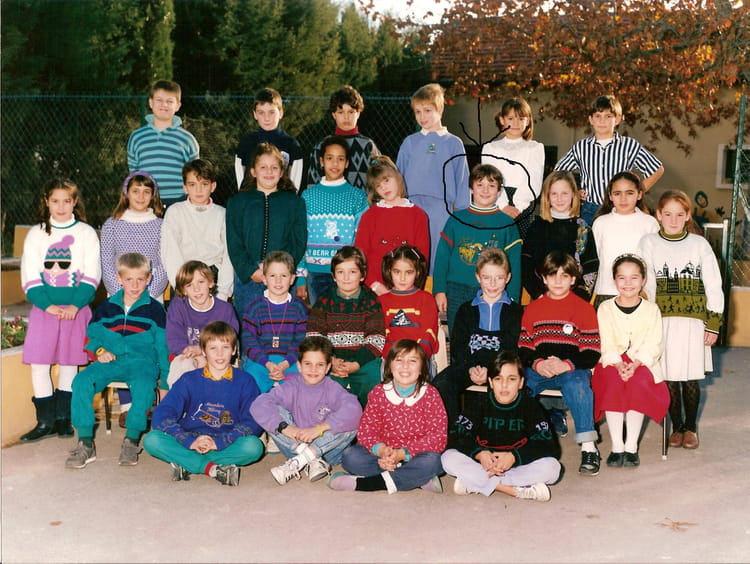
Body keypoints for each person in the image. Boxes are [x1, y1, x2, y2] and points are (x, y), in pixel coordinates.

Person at [638, 190, 724, 450]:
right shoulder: (648, 242)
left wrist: (713, 323)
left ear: (688, 215)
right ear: (658, 215)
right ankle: (676, 427)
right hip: (662, 321)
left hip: (693, 322)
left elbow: (713, 285)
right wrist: (646, 320)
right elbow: (646, 282)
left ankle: (691, 427)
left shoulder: (699, 245)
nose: (673, 220)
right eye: (667, 214)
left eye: (679, 214)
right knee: (669, 376)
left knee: (690, 377)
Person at [66, 253, 169, 469]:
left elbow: (163, 347)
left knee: (144, 387)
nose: (135, 285)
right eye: (129, 279)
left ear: (149, 279)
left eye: (140, 279)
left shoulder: (155, 310)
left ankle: (131, 440)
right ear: (119, 278)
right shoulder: (106, 308)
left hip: (142, 363)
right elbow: (91, 337)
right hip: (110, 361)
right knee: (81, 381)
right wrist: (100, 350)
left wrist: (164, 381)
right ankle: (86, 442)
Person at [19, 178, 101, 442]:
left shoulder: (86, 233)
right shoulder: (36, 234)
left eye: (67, 201)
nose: (61, 206)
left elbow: (92, 274)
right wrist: (48, 305)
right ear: (47, 202)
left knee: (69, 363)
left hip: (76, 310)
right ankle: (44, 421)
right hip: (45, 311)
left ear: (75, 202)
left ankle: (64, 418)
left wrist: (76, 305)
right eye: (55, 201)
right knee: (39, 364)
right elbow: (29, 275)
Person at [143, 322, 264, 486]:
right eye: (213, 348)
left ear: (234, 350)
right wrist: (188, 441)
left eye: (225, 347)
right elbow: (162, 413)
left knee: (254, 447)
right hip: (191, 439)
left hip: (226, 440)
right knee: (152, 440)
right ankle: (211, 468)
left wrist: (219, 443)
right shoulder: (189, 379)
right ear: (204, 351)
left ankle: (188, 463)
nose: (220, 354)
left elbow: (253, 420)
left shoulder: (245, 381)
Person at [519, 251, 602, 476]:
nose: (558, 281)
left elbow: (592, 351)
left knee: (578, 386)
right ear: (544, 278)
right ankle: (518, 439)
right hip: (539, 369)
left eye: (564, 276)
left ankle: (588, 446)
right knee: (517, 385)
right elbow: (524, 348)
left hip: (571, 369)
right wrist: (537, 363)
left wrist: (567, 364)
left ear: (573, 279)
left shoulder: (584, 309)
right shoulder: (533, 309)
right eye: (552, 275)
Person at [327, 339, 447, 494]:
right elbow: (366, 430)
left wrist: (402, 454)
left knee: (434, 461)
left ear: (422, 368)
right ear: (389, 366)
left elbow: (438, 437)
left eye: (412, 361)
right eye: (399, 360)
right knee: (350, 456)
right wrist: (382, 450)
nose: (405, 366)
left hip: (415, 455)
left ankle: (365, 484)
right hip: (382, 456)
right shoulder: (379, 392)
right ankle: (415, 478)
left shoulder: (430, 394)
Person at [441, 351, 561, 501]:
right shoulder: (479, 403)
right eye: (498, 379)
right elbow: (456, 435)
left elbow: (548, 445)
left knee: (553, 468)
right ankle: (513, 489)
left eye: (512, 379)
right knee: (448, 458)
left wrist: (514, 457)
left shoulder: (530, 406)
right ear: (491, 382)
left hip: (517, 464)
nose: (504, 385)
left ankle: (474, 482)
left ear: (521, 382)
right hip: (483, 463)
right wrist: (478, 453)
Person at [101, 172, 168, 425]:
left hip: (151, 297)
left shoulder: (161, 225)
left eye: (146, 192)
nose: (141, 196)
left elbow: (164, 262)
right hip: (119, 297)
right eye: (135, 191)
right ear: (126, 193)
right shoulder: (112, 224)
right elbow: (106, 261)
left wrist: (147, 294)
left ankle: (146, 402)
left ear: (153, 195)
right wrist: (121, 293)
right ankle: (127, 406)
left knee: (148, 347)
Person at [250, 336, 362, 485]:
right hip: (295, 446)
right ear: (299, 366)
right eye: (308, 364)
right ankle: (307, 458)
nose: (313, 369)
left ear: (328, 367)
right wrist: (285, 427)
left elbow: (354, 409)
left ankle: (303, 459)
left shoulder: (332, 388)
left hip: (328, 453)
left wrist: (319, 429)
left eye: (319, 364)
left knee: (351, 422)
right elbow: (258, 404)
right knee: (272, 410)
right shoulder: (291, 386)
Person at [592, 254, 669, 468]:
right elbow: (605, 342)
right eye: (622, 278)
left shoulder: (652, 309)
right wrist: (618, 364)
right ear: (614, 280)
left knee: (639, 383)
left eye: (634, 278)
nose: (628, 283)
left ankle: (631, 446)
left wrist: (635, 364)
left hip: (642, 362)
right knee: (612, 381)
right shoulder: (605, 308)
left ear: (643, 280)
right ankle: (617, 446)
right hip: (612, 360)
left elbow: (654, 343)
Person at [433, 248, 522, 429]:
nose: (492, 283)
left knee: (505, 386)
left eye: (499, 277)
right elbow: (458, 345)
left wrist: (489, 369)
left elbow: (511, 347)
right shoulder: (466, 310)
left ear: (508, 278)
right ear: (478, 277)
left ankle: (499, 431)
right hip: (469, 363)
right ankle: (456, 432)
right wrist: (472, 367)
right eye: (486, 277)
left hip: (500, 367)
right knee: (441, 384)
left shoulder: (515, 311)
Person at [433, 163, 522, 332]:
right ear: (471, 189)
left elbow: (515, 264)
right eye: (480, 185)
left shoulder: (507, 223)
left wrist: (513, 299)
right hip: (457, 289)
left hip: (494, 291)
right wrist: (439, 290)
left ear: (499, 191)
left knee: (491, 338)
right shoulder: (456, 219)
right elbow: (442, 257)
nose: (485, 190)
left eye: (491, 185)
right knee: (459, 337)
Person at [226, 142, 307, 320]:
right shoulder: (237, 202)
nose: (269, 172)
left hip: (282, 276)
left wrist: (281, 269)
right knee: (248, 326)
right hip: (249, 275)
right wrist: (250, 270)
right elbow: (234, 242)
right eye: (263, 167)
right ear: (253, 171)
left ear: (282, 172)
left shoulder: (294, 203)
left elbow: (299, 241)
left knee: (282, 325)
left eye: (274, 167)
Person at [554, 94, 664, 224]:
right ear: (591, 119)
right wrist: (573, 192)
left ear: (617, 119)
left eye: (608, 116)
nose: (602, 121)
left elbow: (657, 169)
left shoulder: (629, 145)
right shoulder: (581, 147)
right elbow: (558, 172)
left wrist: (635, 192)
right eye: (598, 116)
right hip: (589, 210)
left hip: (619, 208)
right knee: (586, 237)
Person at [397, 83, 470, 275]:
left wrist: (463, 214)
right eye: (418, 112)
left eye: (427, 110)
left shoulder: (453, 143)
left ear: (440, 109)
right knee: (412, 257)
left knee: (439, 257)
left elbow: (462, 180)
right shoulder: (410, 142)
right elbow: (398, 177)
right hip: (412, 207)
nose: (422, 116)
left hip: (442, 210)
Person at [306, 246, 385, 407]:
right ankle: (330, 419)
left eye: (352, 272)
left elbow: (376, 338)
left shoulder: (371, 301)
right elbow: (315, 337)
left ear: (362, 275)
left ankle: (368, 417)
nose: (346, 277)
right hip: (332, 361)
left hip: (362, 361)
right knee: (322, 383)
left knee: (372, 378)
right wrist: (330, 360)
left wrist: (356, 364)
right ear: (333, 276)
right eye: (340, 272)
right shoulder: (323, 302)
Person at [296, 135, 369, 304]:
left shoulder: (358, 197)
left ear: (347, 163)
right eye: (330, 158)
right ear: (321, 161)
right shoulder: (308, 196)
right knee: (321, 317)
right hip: (316, 273)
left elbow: (362, 238)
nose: (335, 164)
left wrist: (359, 271)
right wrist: (300, 276)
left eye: (340, 159)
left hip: (347, 274)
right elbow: (300, 237)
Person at [353, 156, 430, 295]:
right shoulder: (370, 216)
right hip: (374, 289)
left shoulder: (418, 215)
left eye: (386, 180)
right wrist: (374, 285)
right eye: (378, 185)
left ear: (398, 178)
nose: (384, 187)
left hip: (407, 290)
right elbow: (360, 254)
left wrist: (411, 288)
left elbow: (422, 257)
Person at [161, 158, 234, 301]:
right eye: (192, 185)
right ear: (185, 187)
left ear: (213, 186)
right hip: (185, 276)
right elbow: (170, 252)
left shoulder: (222, 214)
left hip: (213, 277)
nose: (198, 190)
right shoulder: (175, 212)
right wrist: (181, 286)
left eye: (204, 184)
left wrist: (223, 292)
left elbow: (229, 255)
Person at [165, 261, 239, 396]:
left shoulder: (225, 310)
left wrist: (202, 351)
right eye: (189, 285)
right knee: (183, 364)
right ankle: (181, 404)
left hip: (217, 357)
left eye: (201, 282)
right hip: (186, 355)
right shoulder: (178, 306)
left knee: (218, 369)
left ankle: (213, 405)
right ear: (183, 290)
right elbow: (173, 340)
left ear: (210, 283)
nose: (196, 289)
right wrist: (196, 355)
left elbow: (229, 340)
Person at [523, 171, 599, 302]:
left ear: (574, 194)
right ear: (547, 196)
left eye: (564, 193)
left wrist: (580, 297)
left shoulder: (583, 228)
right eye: (554, 194)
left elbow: (591, 266)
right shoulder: (537, 227)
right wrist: (539, 294)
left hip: (574, 301)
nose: (559, 199)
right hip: (542, 299)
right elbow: (526, 264)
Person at [242, 251, 308, 393]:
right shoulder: (254, 308)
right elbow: (249, 341)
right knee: (251, 382)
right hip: (261, 361)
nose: (278, 281)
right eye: (272, 276)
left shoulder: (299, 308)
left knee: (300, 384)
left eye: (283, 276)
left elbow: (301, 341)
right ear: (264, 279)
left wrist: (285, 364)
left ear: (292, 279)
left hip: (290, 361)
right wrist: (267, 364)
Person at [127, 79, 200, 206]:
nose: (164, 105)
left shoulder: (187, 139)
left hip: (178, 202)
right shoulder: (137, 137)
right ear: (150, 102)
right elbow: (134, 173)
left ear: (177, 106)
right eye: (159, 100)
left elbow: (195, 175)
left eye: (169, 101)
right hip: (146, 202)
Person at [591, 171, 659, 306]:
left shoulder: (649, 223)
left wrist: (647, 292)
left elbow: (654, 264)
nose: (623, 199)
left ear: (639, 194)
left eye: (629, 193)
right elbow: (595, 261)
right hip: (605, 292)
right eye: (617, 193)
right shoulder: (600, 223)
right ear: (610, 196)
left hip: (638, 293)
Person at [481, 97, 546, 237]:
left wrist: (518, 206)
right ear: (502, 120)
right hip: (497, 203)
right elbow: (490, 180)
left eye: (521, 119)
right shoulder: (490, 148)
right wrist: (503, 205)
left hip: (523, 206)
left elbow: (534, 181)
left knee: (522, 246)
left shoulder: (535, 148)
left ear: (528, 121)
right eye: (511, 118)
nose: (516, 123)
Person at [306, 85, 381, 191]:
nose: (346, 117)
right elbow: (312, 184)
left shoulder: (367, 145)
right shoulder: (322, 146)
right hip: (329, 200)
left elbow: (381, 180)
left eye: (351, 112)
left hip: (363, 201)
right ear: (334, 115)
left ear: (358, 114)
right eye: (341, 112)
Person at [235, 87, 304, 191]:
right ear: (255, 114)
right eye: (261, 112)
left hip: (281, 198)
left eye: (271, 112)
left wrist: (290, 198)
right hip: (252, 198)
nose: (266, 118)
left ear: (281, 113)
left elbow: (295, 180)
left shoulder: (291, 144)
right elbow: (240, 175)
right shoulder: (247, 142)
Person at [377, 245, 438, 360]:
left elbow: (428, 334)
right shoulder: (381, 301)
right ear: (389, 271)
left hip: (420, 358)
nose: (402, 278)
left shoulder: (426, 299)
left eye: (409, 272)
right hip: (392, 358)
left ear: (418, 272)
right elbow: (382, 336)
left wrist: (414, 357)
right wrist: (397, 358)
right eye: (397, 272)